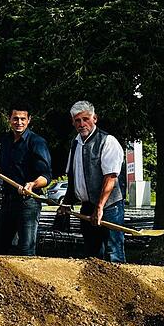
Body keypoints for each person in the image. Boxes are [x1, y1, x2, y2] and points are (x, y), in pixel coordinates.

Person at [58, 101, 126, 263]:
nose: (82, 124)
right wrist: (66, 203)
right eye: (77, 120)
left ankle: (119, 287)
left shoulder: (108, 141)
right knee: (92, 255)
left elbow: (110, 177)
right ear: (72, 122)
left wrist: (100, 207)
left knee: (113, 253)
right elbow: (73, 176)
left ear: (95, 118)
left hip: (109, 207)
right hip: (87, 206)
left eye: (86, 119)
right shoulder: (76, 143)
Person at [0, 106, 52, 256]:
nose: (19, 122)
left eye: (23, 119)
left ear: (29, 120)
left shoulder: (37, 142)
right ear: (9, 119)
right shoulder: (6, 141)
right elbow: (7, 170)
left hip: (28, 203)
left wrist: (33, 184)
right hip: (7, 202)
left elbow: (47, 175)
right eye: (15, 118)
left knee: (26, 251)